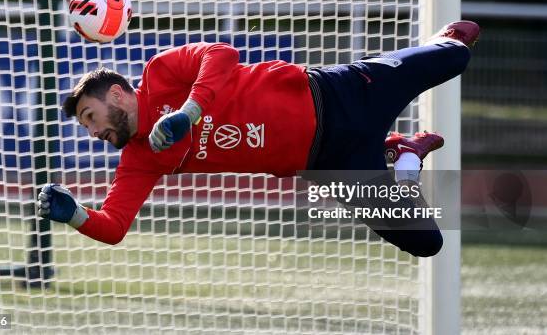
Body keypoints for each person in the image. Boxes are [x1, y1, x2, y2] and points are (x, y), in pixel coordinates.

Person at [37, 21, 480, 257]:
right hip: (329, 161)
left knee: (460, 49)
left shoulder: (159, 73)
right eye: (86, 128)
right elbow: (113, 228)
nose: (94, 132)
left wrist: (188, 113)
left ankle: (402, 135)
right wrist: (74, 213)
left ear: (117, 93)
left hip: (336, 93)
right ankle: (401, 153)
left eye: (91, 117)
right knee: (427, 242)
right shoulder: (140, 159)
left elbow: (222, 54)